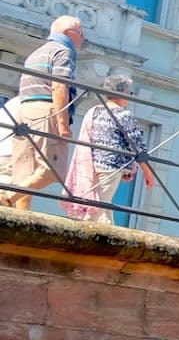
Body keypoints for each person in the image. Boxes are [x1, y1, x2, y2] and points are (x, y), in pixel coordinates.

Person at [0, 16, 83, 208]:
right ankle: (7, 199)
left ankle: (15, 215)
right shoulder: (64, 51)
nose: (83, 38)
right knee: (53, 169)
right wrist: (63, 124)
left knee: (24, 172)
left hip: (24, 110)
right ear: (67, 33)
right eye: (80, 33)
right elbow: (59, 86)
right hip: (46, 110)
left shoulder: (37, 53)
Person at [60, 73, 153, 222]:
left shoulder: (95, 110)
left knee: (101, 204)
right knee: (98, 206)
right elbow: (137, 146)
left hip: (91, 163)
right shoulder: (123, 114)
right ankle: (85, 235)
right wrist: (148, 173)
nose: (129, 97)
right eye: (129, 93)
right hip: (110, 166)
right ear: (121, 93)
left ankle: (108, 235)